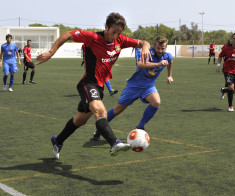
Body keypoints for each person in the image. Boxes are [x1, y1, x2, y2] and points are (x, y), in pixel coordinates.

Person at [36, 12, 151, 159]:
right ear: (106, 27)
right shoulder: (93, 38)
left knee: (80, 120)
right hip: (88, 83)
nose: (116, 36)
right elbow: (67, 34)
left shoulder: (120, 40)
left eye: (119, 33)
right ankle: (114, 143)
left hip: (99, 86)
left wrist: (145, 46)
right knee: (101, 112)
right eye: (113, 32)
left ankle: (57, 140)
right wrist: (51, 52)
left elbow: (143, 42)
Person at [93, 36, 173, 141]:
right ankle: (100, 128)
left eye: (162, 48)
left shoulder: (168, 56)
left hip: (148, 86)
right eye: (158, 48)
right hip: (133, 86)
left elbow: (170, 62)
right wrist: (158, 63)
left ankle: (140, 126)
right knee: (117, 110)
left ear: (166, 48)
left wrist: (169, 75)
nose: (160, 50)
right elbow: (140, 65)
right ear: (154, 46)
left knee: (156, 102)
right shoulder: (145, 51)